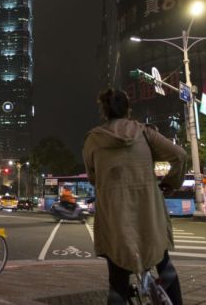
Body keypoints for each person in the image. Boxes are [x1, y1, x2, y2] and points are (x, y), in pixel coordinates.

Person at [83, 88, 185, 305]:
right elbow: (179, 155)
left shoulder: (93, 140)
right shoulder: (144, 133)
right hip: (149, 211)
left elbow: (93, 177)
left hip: (115, 216)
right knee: (164, 265)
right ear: (128, 110)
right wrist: (170, 182)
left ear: (104, 112)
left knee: (118, 281)